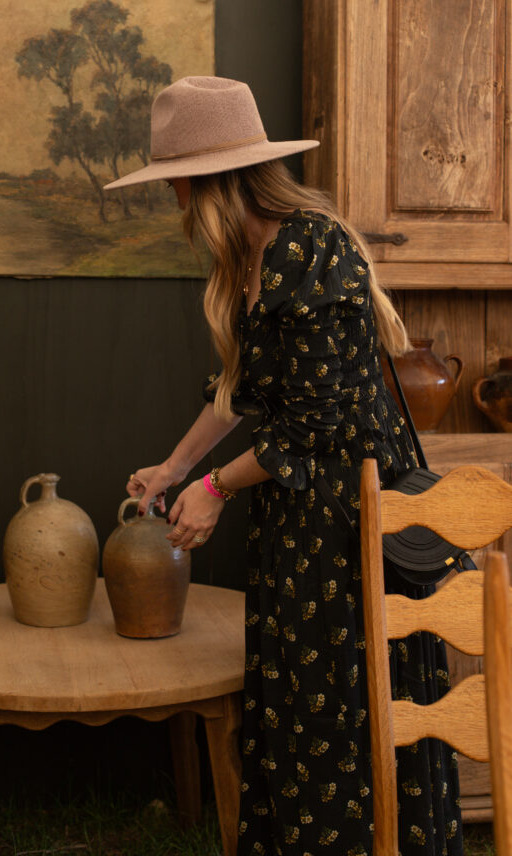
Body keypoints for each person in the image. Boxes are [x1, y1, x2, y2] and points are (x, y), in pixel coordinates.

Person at [103, 76, 463, 856]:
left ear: (207, 180)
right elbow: (243, 393)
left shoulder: (307, 243)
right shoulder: (251, 255)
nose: (173, 202)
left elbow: (317, 419)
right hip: (298, 511)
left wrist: (212, 489)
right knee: (300, 710)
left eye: (176, 183)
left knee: (345, 711)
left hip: (349, 513)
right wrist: (173, 467)